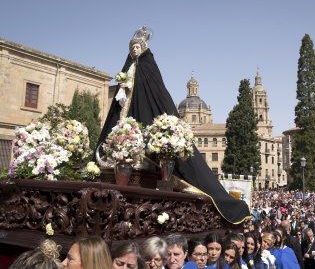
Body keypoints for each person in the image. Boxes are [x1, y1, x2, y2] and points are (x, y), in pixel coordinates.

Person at [95, 25, 250, 224]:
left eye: (137, 47)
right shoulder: (128, 69)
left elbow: (156, 94)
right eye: (132, 48)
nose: (134, 51)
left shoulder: (150, 69)